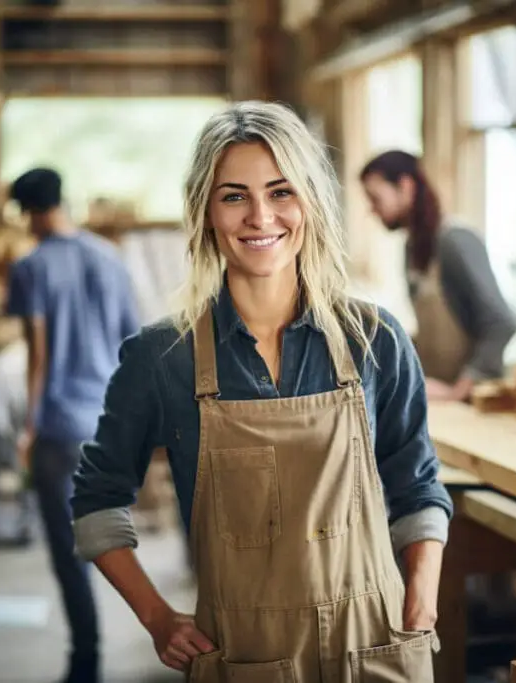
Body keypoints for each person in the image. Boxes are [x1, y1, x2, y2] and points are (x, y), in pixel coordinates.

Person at [71, 101, 452, 681]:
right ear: (205, 211)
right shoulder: (162, 358)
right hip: (246, 658)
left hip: (378, 648)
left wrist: (420, 600)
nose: (259, 216)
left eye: (280, 192)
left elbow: (417, 483)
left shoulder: (374, 338)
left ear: (311, 203)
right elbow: (97, 501)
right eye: (233, 196)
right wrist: (156, 618)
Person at [7, 167, 140, 683]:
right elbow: (134, 345)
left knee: (70, 552)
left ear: (28, 212)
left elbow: (38, 353)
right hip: (105, 424)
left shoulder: (31, 266)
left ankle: (86, 660)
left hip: (59, 426)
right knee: (105, 536)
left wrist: (27, 428)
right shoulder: (110, 258)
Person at [360, 150, 516, 402]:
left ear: (405, 187)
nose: (372, 210)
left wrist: (458, 391)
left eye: (375, 198)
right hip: (440, 400)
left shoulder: (455, 241)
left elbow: (502, 323)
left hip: (475, 402)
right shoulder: (413, 249)